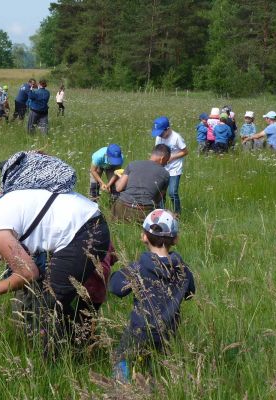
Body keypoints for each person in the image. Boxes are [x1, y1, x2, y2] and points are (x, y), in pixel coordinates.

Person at [0, 189, 110, 349]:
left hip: (85, 231)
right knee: (49, 300)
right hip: (85, 224)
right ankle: (82, 344)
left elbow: (29, 273)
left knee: (44, 307)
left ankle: (57, 361)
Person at [109, 209, 195, 381]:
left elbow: (116, 288)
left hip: (139, 330)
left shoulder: (138, 268)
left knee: (121, 358)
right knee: (157, 367)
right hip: (168, 332)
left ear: (144, 237)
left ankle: (120, 388)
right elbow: (190, 294)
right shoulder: (183, 270)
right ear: (175, 239)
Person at [112, 144, 170, 224]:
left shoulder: (133, 164)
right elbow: (157, 200)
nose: (166, 164)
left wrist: (120, 178)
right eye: (167, 161)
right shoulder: (166, 174)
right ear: (162, 158)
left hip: (122, 208)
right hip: (144, 212)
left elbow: (119, 188)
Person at [152, 116, 188, 216]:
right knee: (160, 192)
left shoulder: (177, 137)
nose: (160, 135)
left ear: (167, 129)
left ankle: (177, 214)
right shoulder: (159, 137)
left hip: (174, 169)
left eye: (161, 133)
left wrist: (172, 157)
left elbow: (185, 151)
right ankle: (162, 213)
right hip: (162, 169)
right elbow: (157, 150)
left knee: (172, 193)